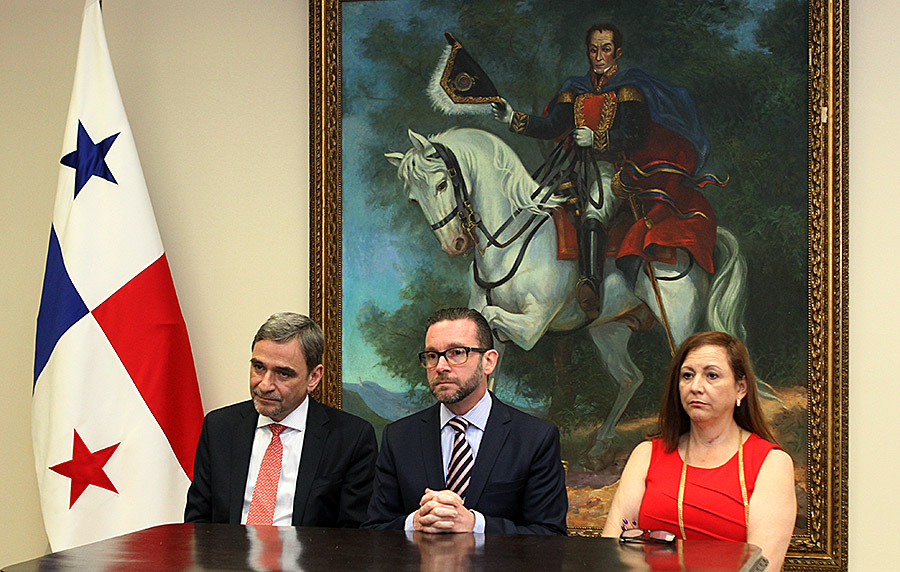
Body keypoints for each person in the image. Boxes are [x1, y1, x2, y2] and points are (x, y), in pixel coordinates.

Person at [492, 23, 721, 320]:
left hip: (611, 168)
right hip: (574, 168)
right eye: (593, 50)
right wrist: (512, 118)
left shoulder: (628, 89)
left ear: (618, 52)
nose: (599, 56)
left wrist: (597, 139)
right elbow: (552, 126)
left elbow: (635, 135)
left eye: (606, 49)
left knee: (594, 210)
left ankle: (590, 285)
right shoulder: (574, 90)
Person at [363, 307, 569, 535]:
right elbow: (374, 530)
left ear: (488, 361)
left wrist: (475, 525)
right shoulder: (399, 437)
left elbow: (550, 534)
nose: (441, 366)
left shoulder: (535, 438)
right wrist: (414, 523)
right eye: (432, 356)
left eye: (457, 353)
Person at [601, 331, 795, 571]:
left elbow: (763, 567)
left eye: (712, 375)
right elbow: (613, 550)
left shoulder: (771, 463)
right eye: (687, 375)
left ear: (741, 388)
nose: (695, 387)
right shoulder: (646, 455)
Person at [185, 312, 377, 527]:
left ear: (313, 377)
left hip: (308, 550)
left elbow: (353, 535)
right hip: (229, 549)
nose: (265, 385)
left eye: (283, 373)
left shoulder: (351, 438)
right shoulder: (219, 427)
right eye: (259, 367)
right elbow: (198, 522)